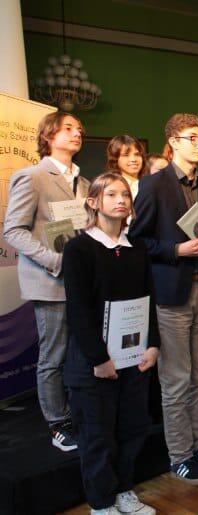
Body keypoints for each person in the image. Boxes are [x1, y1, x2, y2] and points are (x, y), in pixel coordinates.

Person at [129, 113, 198, 486]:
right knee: (176, 379)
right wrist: (177, 250)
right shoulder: (154, 184)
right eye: (192, 137)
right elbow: (137, 241)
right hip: (172, 292)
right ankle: (180, 456)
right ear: (173, 141)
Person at [62, 172, 159, 515]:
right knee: (97, 435)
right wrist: (98, 359)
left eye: (125, 195)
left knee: (132, 429)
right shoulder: (79, 249)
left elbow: (149, 299)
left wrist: (153, 344)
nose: (121, 200)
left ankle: (123, 491)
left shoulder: (138, 249)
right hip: (94, 363)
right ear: (93, 202)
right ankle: (102, 503)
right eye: (112, 194)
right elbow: (78, 310)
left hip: (134, 357)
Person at [4, 111, 91, 451]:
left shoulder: (84, 183)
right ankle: (58, 424)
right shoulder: (32, 176)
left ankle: (79, 413)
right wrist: (55, 261)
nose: (76, 133)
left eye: (79, 129)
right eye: (67, 128)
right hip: (50, 280)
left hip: (83, 283)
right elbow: (13, 230)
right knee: (53, 356)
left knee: (81, 352)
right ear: (48, 135)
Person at [106, 135, 147, 200]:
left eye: (137, 154)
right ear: (115, 159)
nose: (133, 159)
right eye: (126, 155)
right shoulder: (109, 186)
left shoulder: (150, 184)